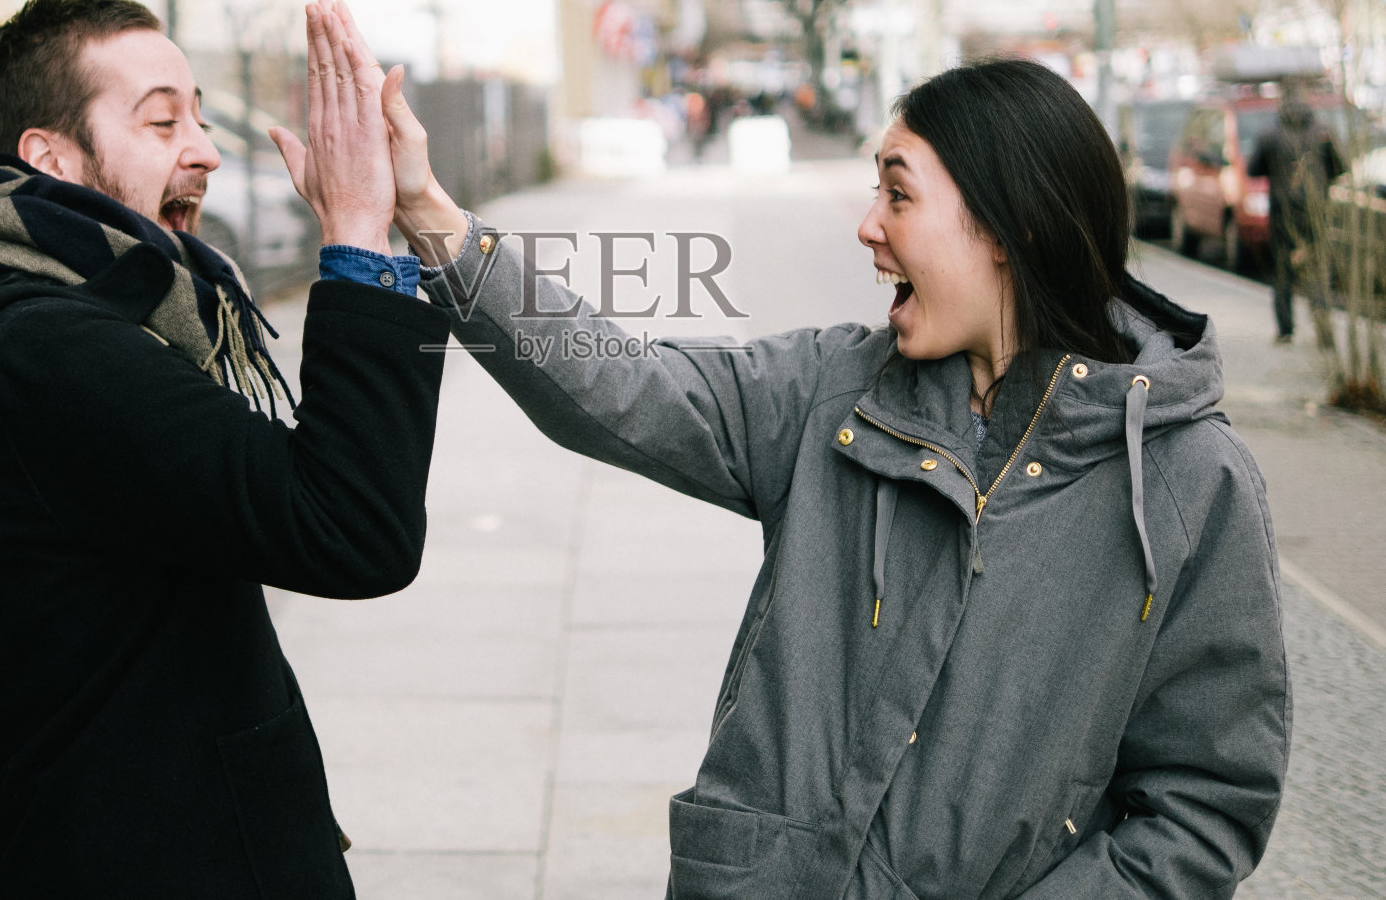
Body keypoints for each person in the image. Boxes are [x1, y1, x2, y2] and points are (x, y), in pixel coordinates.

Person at [382, 57, 1289, 898]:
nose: (868, 228)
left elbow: (1203, 803)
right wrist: (431, 217)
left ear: (1014, 227)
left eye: (899, 195)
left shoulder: (1190, 484)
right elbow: (623, 383)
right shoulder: (831, 393)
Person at [0, 0, 449, 899]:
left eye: (200, 118)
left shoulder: (5, 325)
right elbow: (351, 526)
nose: (206, 151)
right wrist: (358, 234)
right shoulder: (42, 352)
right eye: (162, 124)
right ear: (51, 159)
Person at [1247, 83, 1346, 345]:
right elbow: (1340, 167)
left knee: (1282, 270)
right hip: (1316, 211)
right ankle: (1324, 331)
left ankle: (1286, 330)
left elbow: (1253, 170)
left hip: (1282, 212)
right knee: (1318, 269)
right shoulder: (1323, 133)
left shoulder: (1270, 135)